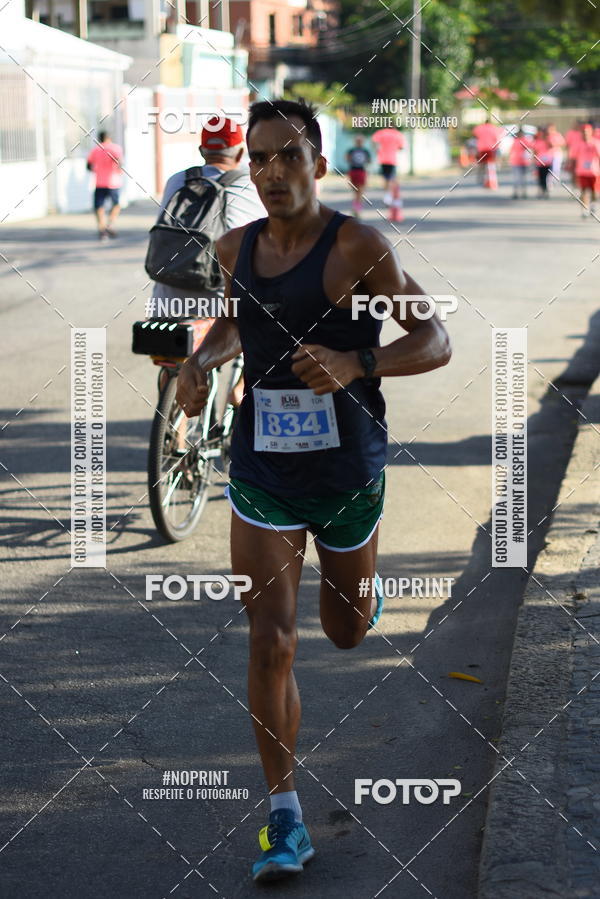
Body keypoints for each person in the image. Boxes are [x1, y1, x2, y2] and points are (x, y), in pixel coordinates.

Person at [175, 98, 451, 883]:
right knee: (272, 639)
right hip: (261, 468)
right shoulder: (233, 246)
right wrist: (203, 364)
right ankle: (285, 818)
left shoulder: (358, 244)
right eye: (258, 158)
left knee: (345, 631)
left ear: (319, 166)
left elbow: (433, 337)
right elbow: (238, 326)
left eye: (288, 156)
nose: (270, 171)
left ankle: (361, 594)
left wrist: (358, 363)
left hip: (346, 474)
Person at [151, 116, 265, 406]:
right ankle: (241, 386)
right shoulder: (251, 184)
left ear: (202, 151)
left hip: (169, 290)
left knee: (172, 359)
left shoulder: (178, 180)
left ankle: (173, 437)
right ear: (241, 153)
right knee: (267, 323)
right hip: (220, 293)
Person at [86, 131, 123, 240]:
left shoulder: (95, 150)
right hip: (113, 182)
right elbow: (119, 161)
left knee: (99, 206)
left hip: (99, 182)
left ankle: (101, 229)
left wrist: (98, 169)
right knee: (116, 204)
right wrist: (118, 169)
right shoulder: (115, 148)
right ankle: (110, 224)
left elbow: (88, 166)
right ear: (108, 138)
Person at [371, 126, 405, 204]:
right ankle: (394, 198)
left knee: (386, 178)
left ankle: (387, 196)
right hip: (392, 159)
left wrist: (377, 149)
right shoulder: (397, 134)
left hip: (383, 158)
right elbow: (401, 147)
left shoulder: (381, 132)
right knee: (393, 178)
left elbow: (373, 140)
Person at [574, 124, 600, 217]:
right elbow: (574, 158)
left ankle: (593, 204)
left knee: (594, 191)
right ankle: (584, 209)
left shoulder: (596, 143)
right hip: (582, 171)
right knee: (583, 191)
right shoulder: (578, 144)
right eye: (583, 132)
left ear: (591, 132)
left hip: (594, 171)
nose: (585, 134)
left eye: (587, 132)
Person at [472, 118, 504, 188]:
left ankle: (481, 179)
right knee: (491, 165)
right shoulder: (494, 128)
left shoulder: (479, 128)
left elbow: (475, 135)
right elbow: (497, 138)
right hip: (491, 149)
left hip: (481, 149)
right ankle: (491, 180)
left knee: (481, 165)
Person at [345, 135, 371, 217]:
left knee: (359, 191)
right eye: (358, 141)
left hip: (360, 171)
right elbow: (347, 158)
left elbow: (369, 160)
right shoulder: (352, 150)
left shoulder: (364, 151)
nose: (359, 142)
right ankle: (356, 207)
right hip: (354, 171)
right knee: (356, 190)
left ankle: (357, 209)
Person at [509, 128, 534, 198]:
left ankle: (523, 193)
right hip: (516, 162)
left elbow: (532, 147)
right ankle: (516, 193)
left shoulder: (525, 140)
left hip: (524, 162)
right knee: (516, 178)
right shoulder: (515, 141)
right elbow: (511, 151)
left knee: (523, 178)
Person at [533, 127, 553, 198]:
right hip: (539, 162)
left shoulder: (548, 140)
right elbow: (535, 151)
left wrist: (547, 140)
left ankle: (546, 190)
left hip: (547, 162)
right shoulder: (537, 141)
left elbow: (551, 146)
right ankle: (542, 191)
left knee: (546, 178)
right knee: (540, 178)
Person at [546, 123, 566, 187]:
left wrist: (555, 144)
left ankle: (554, 179)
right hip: (549, 154)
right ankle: (550, 182)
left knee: (556, 168)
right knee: (549, 169)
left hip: (557, 154)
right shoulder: (547, 136)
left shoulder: (557, 135)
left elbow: (563, 143)